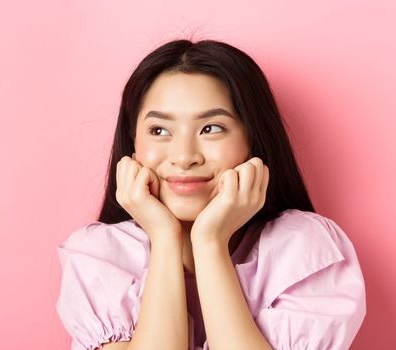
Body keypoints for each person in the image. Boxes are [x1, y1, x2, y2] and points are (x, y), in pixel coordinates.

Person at [54, 39, 366, 350]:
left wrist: (210, 243)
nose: (184, 156)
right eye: (159, 130)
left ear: (253, 141)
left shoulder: (304, 249)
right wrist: (164, 238)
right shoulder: (100, 257)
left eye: (211, 128)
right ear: (133, 143)